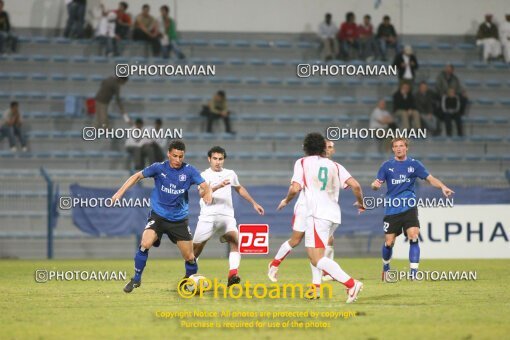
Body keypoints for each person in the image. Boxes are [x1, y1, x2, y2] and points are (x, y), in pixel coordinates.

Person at [269, 139, 364, 297]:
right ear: (323, 149)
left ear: (305, 148)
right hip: (333, 215)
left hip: (316, 214)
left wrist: (286, 200)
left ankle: (351, 284)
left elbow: (295, 188)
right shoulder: (336, 166)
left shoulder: (303, 162)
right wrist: (361, 203)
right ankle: (316, 288)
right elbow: (356, 185)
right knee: (315, 253)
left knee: (316, 258)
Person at [115, 140, 213, 293]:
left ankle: (189, 283)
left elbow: (205, 185)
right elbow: (137, 176)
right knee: (145, 243)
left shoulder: (189, 171)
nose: (178, 160)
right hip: (158, 216)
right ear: (169, 154)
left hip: (179, 220)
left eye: (181, 156)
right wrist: (119, 193)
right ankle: (136, 279)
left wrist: (207, 193)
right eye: (175, 156)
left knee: (190, 257)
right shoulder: (158, 168)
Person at [371, 138, 454, 281]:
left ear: (406, 148)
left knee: (413, 235)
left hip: (409, 206)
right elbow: (376, 183)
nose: (398, 148)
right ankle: (386, 267)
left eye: (401, 146)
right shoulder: (386, 166)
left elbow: (430, 178)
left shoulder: (414, 165)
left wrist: (442, 186)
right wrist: (375, 185)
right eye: (395, 146)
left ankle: (414, 273)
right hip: (392, 208)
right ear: (392, 149)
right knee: (389, 242)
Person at [193, 146, 265, 286]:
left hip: (227, 216)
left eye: (220, 159)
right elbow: (202, 194)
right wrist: (218, 186)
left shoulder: (230, 173)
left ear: (224, 160)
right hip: (208, 216)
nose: (218, 162)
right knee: (195, 249)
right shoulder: (203, 175)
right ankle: (189, 275)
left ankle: (233, 274)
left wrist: (254, 203)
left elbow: (239, 188)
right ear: (209, 159)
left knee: (236, 242)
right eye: (215, 158)